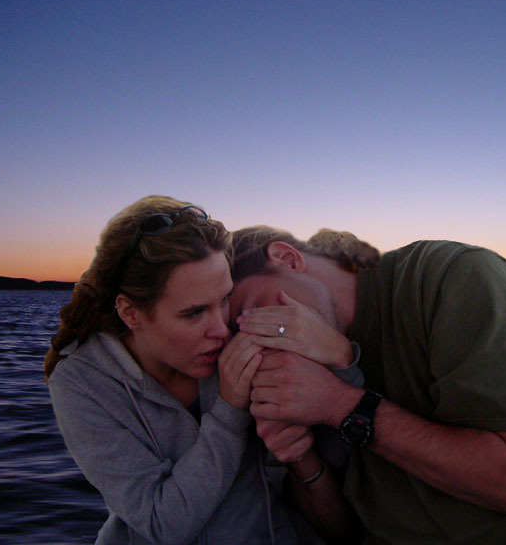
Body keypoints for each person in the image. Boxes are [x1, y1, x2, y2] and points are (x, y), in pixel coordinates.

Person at [228, 227, 506, 545]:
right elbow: (342, 531)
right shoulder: (301, 366)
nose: (258, 342)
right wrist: (300, 457)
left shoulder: (453, 277)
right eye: (239, 339)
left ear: (287, 258)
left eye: (253, 315)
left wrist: (339, 404)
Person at [44, 196, 313, 544]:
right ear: (131, 314)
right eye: (194, 313)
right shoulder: (83, 382)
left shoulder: (240, 337)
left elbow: (334, 436)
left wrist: (327, 348)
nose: (222, 329)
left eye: (224, 299)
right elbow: (162, 524)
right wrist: (229, 410)